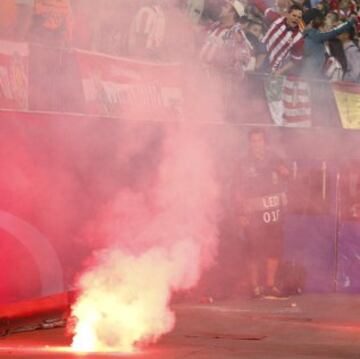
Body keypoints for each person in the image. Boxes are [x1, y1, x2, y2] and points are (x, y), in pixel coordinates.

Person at [237, 128, 289, 298]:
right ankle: (255, 287)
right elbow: (237, 190)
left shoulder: (275, 159)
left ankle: (270, 286)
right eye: (253, 141)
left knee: (274, 249)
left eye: (259, 140)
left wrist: (285, 173)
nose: (257, 144)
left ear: (265, 142)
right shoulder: (243, 163)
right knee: (253, 251)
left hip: (274, 214)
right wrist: (240, 213)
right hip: (253, 215)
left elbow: (286, 177)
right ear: (249, 144)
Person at [252, 0, 304, 76]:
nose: (296, 18)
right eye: (294, 15)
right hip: (258, 59)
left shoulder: (298, 39)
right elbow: (261, 5)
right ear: (288, 14)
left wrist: (280, 71)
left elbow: (295, 59)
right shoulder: (276, 18)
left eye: (299, 17)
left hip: (271, 70)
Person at [302, 9, 355, 79]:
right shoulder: (306, 37)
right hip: (309, 77)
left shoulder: (335, 43)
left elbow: (343, 66)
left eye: (328, 18)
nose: (325, 21)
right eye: (322, 23)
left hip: (325, 82)